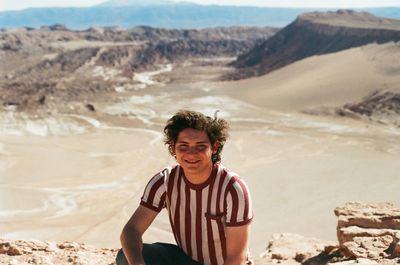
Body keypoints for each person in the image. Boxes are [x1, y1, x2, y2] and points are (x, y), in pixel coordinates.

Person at [117, 110, 253, 265]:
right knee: (127, 256)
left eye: (200, 146)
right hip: (188, 261)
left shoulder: (233, 188)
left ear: (214, 147)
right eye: (183, 146)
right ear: (173, 148)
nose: (192, 153)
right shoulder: (165, 182)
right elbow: (131, 231)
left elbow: (236, 257)